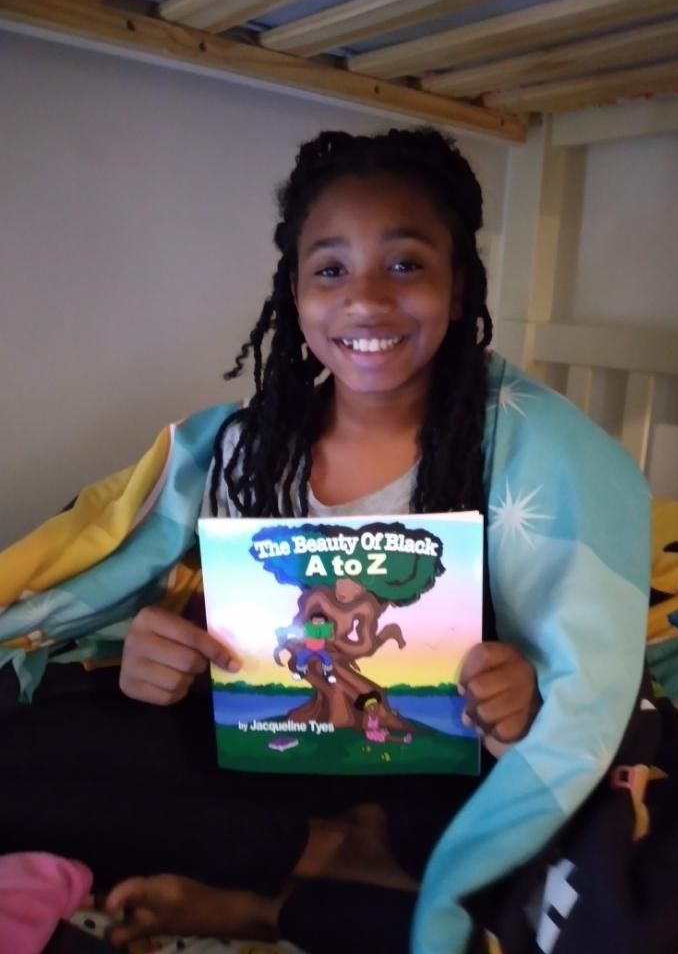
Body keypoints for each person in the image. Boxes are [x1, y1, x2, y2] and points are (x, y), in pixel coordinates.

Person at [109, 128, 546, 950]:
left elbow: (556, 647)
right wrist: (155, 662)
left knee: (542, 856)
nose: (367, 299)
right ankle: (333, 854)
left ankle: (270, 903)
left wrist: (520, 698)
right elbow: (218, 647)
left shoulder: (516, 458)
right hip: (273, 771)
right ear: (295, 292)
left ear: (458, 288)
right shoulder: (249, 450)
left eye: (406, 264)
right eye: (332, 269)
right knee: (53, 753)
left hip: (437, 782)